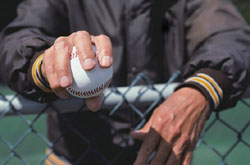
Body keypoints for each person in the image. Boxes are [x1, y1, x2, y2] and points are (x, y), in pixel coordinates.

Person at [0, 0, 250, 164]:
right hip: (74, 157)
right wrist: (43, 64)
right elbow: (16, 40)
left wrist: (200, 90)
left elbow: (230, 37)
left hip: (162, 157)